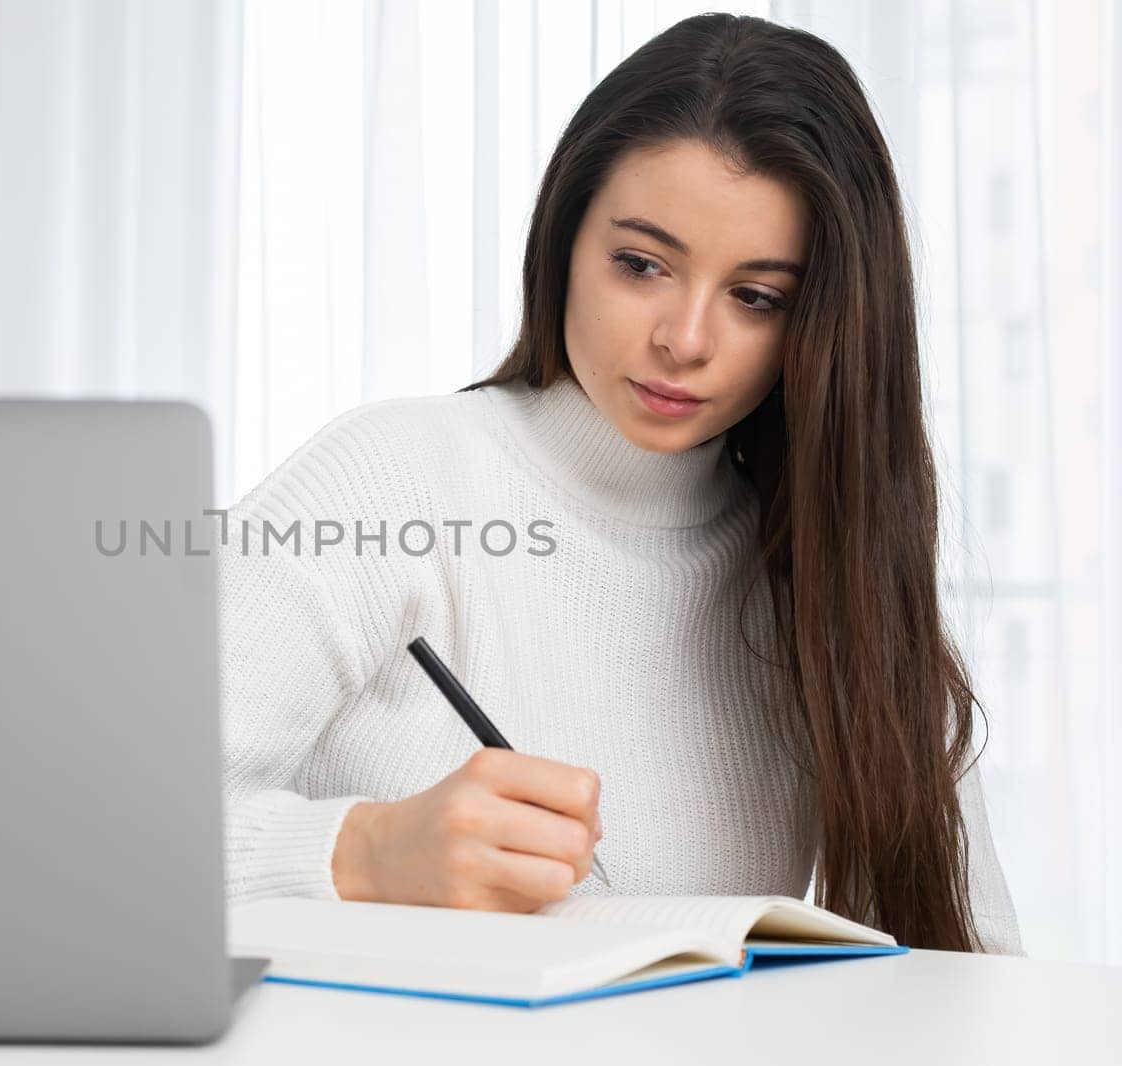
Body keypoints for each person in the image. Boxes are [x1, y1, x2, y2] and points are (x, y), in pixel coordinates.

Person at [215, 12, 1023, 955]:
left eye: (757, 298)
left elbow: (979, 967)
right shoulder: (385, 484)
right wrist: (363, 853)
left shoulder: (831, 563)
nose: (684, 339)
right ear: (564, 239)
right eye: (641, 265)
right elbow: (76, 823)